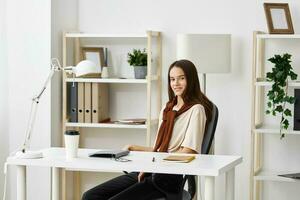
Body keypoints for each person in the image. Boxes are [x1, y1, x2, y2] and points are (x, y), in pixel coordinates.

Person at [82, 59, 213, 200]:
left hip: (166, 179)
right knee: (90, 196)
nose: (176, 83)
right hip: (151, 170)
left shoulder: (196, 110)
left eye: (181, 78)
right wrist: (134, 148)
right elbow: (158, 149)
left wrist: (152, 165)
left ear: (191, 79)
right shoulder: (167, 109)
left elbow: (188, 152)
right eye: (172, 79)